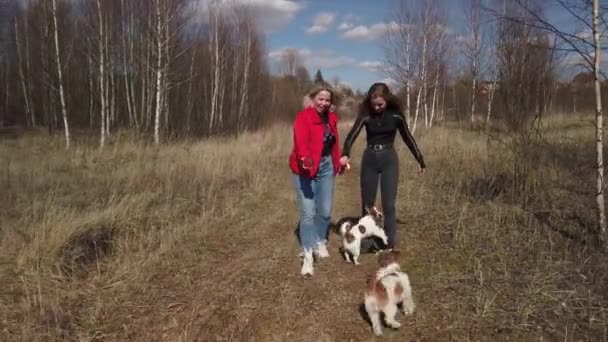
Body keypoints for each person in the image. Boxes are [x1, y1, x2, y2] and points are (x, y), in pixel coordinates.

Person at [340, 82, 426, 252]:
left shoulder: (396, 116)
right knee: (368, 203)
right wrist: (346, 153)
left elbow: (408, 137)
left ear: (387, 100)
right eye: (374, 105)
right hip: (370, 160)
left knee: (388, 204)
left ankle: (390, 243)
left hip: (389, 160)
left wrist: (420, 159)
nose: (377, 108)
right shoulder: (365, 115)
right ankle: (367, 241)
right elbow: (351, 136)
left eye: (380, 104)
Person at [289, 84, 347, 276]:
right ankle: (307, 256)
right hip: (305, 170)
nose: (323, 103)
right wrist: (305, 159)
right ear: (313, 98)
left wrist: (338, 163)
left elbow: (334, 144)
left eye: (327, 100)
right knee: (308, 212)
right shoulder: (303, 117)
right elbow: (301, 143)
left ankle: (319, 241)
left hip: (326, 166)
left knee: (324, 210)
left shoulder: (331, 118)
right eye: (320, 99)